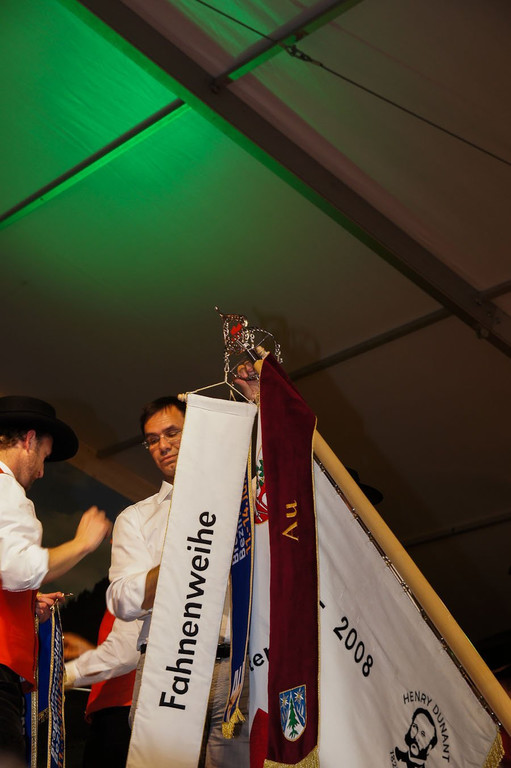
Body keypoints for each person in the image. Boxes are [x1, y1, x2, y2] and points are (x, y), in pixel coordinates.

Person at [106, 395, 250, 767]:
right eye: (152, 440)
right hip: (167, 666)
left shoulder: (241, 500)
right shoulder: (136, 517)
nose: (163, 445)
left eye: (172, 433)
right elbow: (122, 600)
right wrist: (182, 554)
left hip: (236, 669)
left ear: (197, 431)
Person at [0, 396, 111, 761]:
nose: (41, 472)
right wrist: (82, 544)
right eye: (44, 457)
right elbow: (18, 568)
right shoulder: (6, 490)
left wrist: (26, 604)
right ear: (29, 440)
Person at [65, 611, 141, 768]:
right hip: (122, 709)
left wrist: (62, 676)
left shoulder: (136, 594)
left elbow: (123, 656)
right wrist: (92, 653)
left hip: (123, 713)